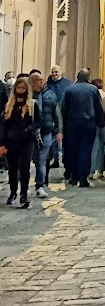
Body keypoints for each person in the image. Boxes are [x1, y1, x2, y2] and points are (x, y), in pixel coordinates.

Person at [1, 75, 41, 209]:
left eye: (23, 88)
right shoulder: (9, 106)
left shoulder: (32, 105)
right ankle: (13, 191)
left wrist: (29, 129)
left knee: (24, 168)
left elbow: (38, 122)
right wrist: (2, 143)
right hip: (11, 141)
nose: (20, 90)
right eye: (18, 88)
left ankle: (23, 194)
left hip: (27, 140)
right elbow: (3, 125)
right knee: (12, 168)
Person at [61, 69, 105, 188]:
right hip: (88, 124)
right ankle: (83, 178)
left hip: (72, 125)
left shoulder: (69, 89)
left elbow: (63, 108)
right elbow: (98, 107)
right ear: (88, 78)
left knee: (73, 150)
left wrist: (63, 125)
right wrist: (101, 122)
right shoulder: (93, 89)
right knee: (86, 150)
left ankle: (74, 177)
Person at [28, 69, 62, 197]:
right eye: (38, 80)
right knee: (29, 160)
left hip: (46, 131)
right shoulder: (27, 95)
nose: (41, 82)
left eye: (42, 79)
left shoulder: (50, 95)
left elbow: (57, 114)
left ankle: (40, 185)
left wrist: (59, 130)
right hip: (29, 133)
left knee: (42, 160)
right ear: (31, 82)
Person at [47, 66, 71, 167]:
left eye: (56, 72)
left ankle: (65, 158)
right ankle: (55, 159)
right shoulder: (48, 84)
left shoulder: (68, 83)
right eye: (53, 72)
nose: (54, 74)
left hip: (65, 113)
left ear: (61, 72)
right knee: (54, 138)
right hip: (52, 114)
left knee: (66, 137)